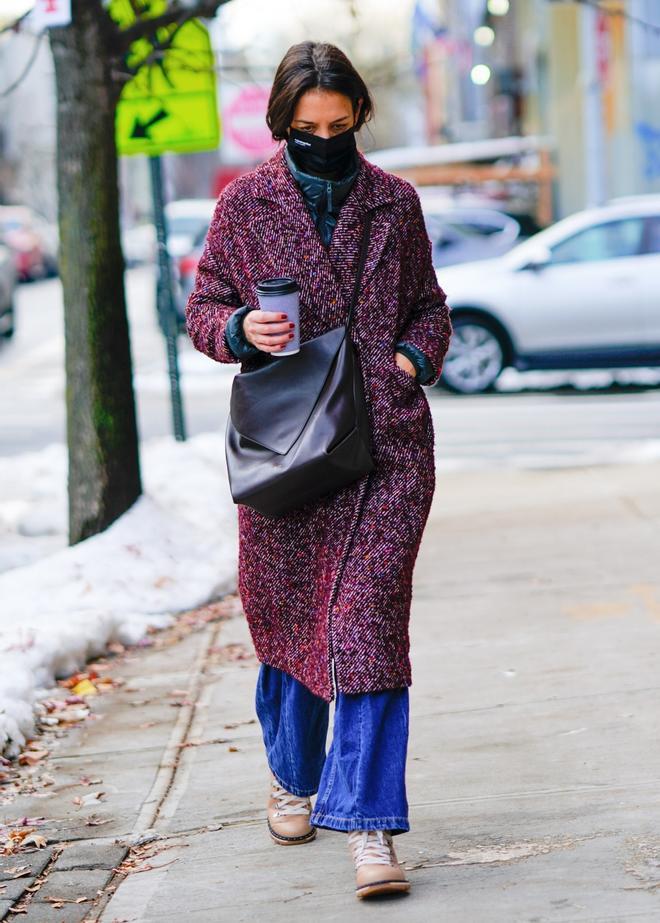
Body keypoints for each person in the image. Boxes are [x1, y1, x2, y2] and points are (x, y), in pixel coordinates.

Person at [185, 40, 452, 900]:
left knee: (366, 626)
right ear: (283, 125)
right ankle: (294, 775)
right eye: (309, 129)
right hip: (289, 453)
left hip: (386, 449)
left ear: (359, 120)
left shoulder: (394, 205)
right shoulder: (246, 206)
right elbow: (203, 306)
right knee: (295, 627)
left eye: (340, 126)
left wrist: (413, 355)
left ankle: (369, 824)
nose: (326, 140)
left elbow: (430, 306)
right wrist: (238, 333)